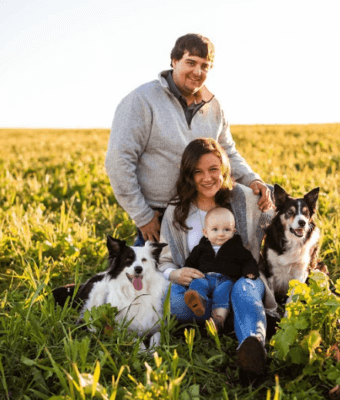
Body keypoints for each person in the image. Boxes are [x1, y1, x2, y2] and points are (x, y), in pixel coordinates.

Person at [105, 33, 272, 245]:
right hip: (159, 214)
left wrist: (252, 179)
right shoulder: (141, 101)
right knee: (158, 276)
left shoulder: (214, 106)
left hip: (207, 209)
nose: (197, 72)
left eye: (205, 66)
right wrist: (143, 216)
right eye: (190, 62)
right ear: (174, 61)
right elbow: (119, 160)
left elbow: (227, 151)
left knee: (217, 271)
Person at [158, 138, 278, 379]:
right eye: (198, 172)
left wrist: (266, 193)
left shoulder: (244, 199)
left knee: (243, 291)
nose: (207, 178)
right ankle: (228, 317)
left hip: (241, 279)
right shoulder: (176, 211)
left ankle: (252, 348)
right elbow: (164, 260)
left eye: (213, 169)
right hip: (199, 287)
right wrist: (175, 273)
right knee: (175, 302)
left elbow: (277, 222)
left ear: (224, 169)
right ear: (188, 175)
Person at [183, 207, 260, 333]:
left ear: (234, 232)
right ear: (205, 232)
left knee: (223, 292)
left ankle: (218, 321)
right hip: (205, 278)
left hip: (226, 280)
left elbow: (248, 260)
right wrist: (187, 272)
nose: (221, 234)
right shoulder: (200, 249)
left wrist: (250, 270)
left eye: (227, 229)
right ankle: (198, 301)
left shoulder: (237, 248)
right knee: (197, 284)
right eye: (215, 229)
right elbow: (190, 263)